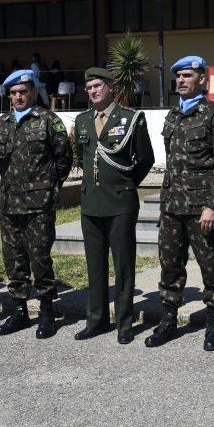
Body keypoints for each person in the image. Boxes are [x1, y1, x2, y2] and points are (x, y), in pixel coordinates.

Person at [144, 56, 214, 350]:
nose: (181, 81)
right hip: (171, 207)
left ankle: (213, 324)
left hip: (200, 209)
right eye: (178, 77)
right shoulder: (172, 115)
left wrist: (213, 205)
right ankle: (168, 321)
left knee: (211, 266)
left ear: (202, 80)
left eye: (187, 75)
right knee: (169, 266)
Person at [0, 69, 71, 339]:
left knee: (40, 259)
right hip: (9, 205)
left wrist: (48, 189)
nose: (18, 97)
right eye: (14, 93)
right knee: (14, 261)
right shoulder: (1, 123)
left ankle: (46, 312)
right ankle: (19, 311)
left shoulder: (47, 120)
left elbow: (63, 159)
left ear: (33, 92)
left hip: (38, 205)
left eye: (23, 92)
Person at [73, 67, 154, 344]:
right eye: (89, 87)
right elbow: (81, 157)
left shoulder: (131, 119)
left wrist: (126, 185)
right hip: (91, 205)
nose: (93, 91)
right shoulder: (83, 121)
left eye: (97, 85)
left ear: (110, 87)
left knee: (123, 267)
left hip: (121, 203)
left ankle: (124, 323)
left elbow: (145, 159)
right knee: (95, 267)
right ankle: (96, 320)